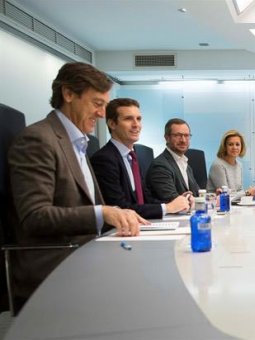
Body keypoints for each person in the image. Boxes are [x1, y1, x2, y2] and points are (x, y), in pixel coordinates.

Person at [7, 62, 147, 308]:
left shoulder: (81, 142)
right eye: (97, 104)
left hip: (86, 254)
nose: (103, 114)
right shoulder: (38, 139)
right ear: (68, 94)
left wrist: (117, 214)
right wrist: (103, 212)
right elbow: (35, 216)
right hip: (56, 265)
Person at [91, 98, 190, 219]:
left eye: (138, 119)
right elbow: (119, 208)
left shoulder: (133, 157)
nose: (136, 124)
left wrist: (176, 204)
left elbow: (146, 199)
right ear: (112, 124)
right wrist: (167, 208)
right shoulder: (104, 159)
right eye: (128, 119)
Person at [146, 118, 200, 202]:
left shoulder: (186, 164)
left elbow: (197, 194)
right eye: (178, 135)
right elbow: (173, 200)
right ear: (167, 138)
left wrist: (213, 197)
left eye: (186, 135)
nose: (183, 140)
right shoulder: (160, 166)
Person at [207, 129, 255, 196]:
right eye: (230, 144)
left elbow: (239, 190)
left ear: (241, 147)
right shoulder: (218, 165)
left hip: (234, 204)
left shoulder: (239, 165)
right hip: (217, 205)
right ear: (225, 147)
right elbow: (225, 194)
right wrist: (247, 193)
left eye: (237, 144)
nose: (234, 147)